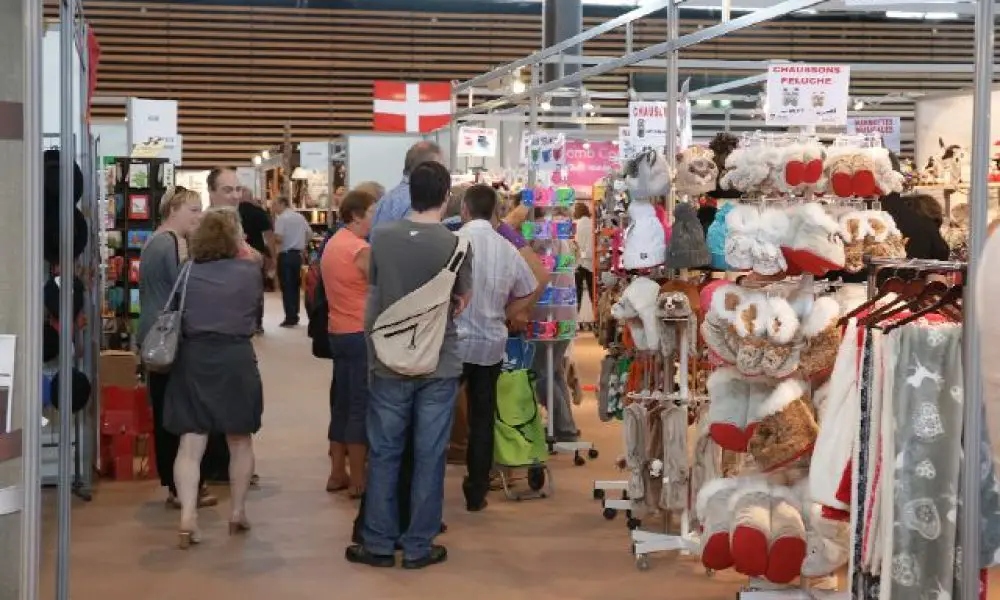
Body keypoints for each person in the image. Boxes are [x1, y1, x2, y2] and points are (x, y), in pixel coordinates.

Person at [346, 161, 472, 570]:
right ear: (445, 195)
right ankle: (419, 545)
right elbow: (461, 304)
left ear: (409, 192)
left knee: (384, 453)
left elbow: (375, 294)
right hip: (439, 362)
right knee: (429, 454)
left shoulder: (381, 237)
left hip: (388, 361)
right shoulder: (456, 245)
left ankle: (379, 543)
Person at [164, 207, 264, 549]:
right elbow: (255, 310)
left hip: (194, 359)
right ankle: (237, 512)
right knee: (240, 439)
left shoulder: (188, 270)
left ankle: (187, 516)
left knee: (191, 443)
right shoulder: (249, 272)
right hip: (236, 358)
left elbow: (174, 310)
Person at [455, 184, 540, 512]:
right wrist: (505, 315)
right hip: (491, 342)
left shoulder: (455, 242)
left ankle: (426, 489)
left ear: (465, 209)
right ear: (496, 213)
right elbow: (531, 287)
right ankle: (476, 491)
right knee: (482, 416)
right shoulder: (506, 249)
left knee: (438, 413)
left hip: (456, 341)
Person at [138, 187, 217, 510]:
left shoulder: (153, 241)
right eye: (194, 210)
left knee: (165, 406)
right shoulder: (170, 243)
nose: (199, 216)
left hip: (154, 334)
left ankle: (176, 482)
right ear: (174, 209)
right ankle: (179, 484)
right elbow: (182, 290)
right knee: (176, 411)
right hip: (168, 338)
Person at [321, 190, 376, 497]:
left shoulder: (333, 244)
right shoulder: (360, 249)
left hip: (338, 331)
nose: (374, 218)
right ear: (356, 215)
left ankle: (336, 472)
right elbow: (381, 283)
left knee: (341, 403)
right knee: (359, 405)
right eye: (372, 212)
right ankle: (358, 479)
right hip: (359, 332)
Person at [371, 141, 442, 228]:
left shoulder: (386, 199)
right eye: (440, 167)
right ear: (426, 169)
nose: (443, 173)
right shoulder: (417, 201)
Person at [272, 196, 313, 327]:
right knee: (295, 285)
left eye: (274, 205)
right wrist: (302, 243)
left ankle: (290, 317)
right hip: (297, 255)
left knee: (287, 286)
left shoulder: (281, 219)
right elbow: (310, 233)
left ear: (282, 204)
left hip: (285, 254)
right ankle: (295, 313)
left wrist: (272, 240)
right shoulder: (299, 217)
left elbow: (279, 238)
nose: (273, 208)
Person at [573, 202, 594, 308]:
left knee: (577, 291)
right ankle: (596, 316)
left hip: (578, 261)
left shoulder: (576, 225)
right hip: (591, 262)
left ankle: (576, 316)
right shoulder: (591, 224)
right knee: (592, 290)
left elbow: (575, 244)